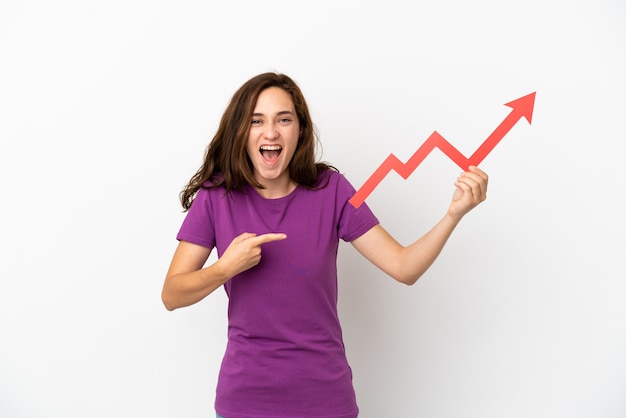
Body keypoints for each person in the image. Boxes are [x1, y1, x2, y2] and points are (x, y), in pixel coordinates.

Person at [161, 72, 488, 418]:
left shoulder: (331, 190)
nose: (270, 132)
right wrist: (225, 267)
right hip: (245, 403)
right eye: (257, 121)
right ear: (240, 130)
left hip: (325, 402)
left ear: (299, 130)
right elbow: (172, 294)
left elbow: (404, 267)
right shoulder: (216, 197)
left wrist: (454, 215)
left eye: (283, 119)